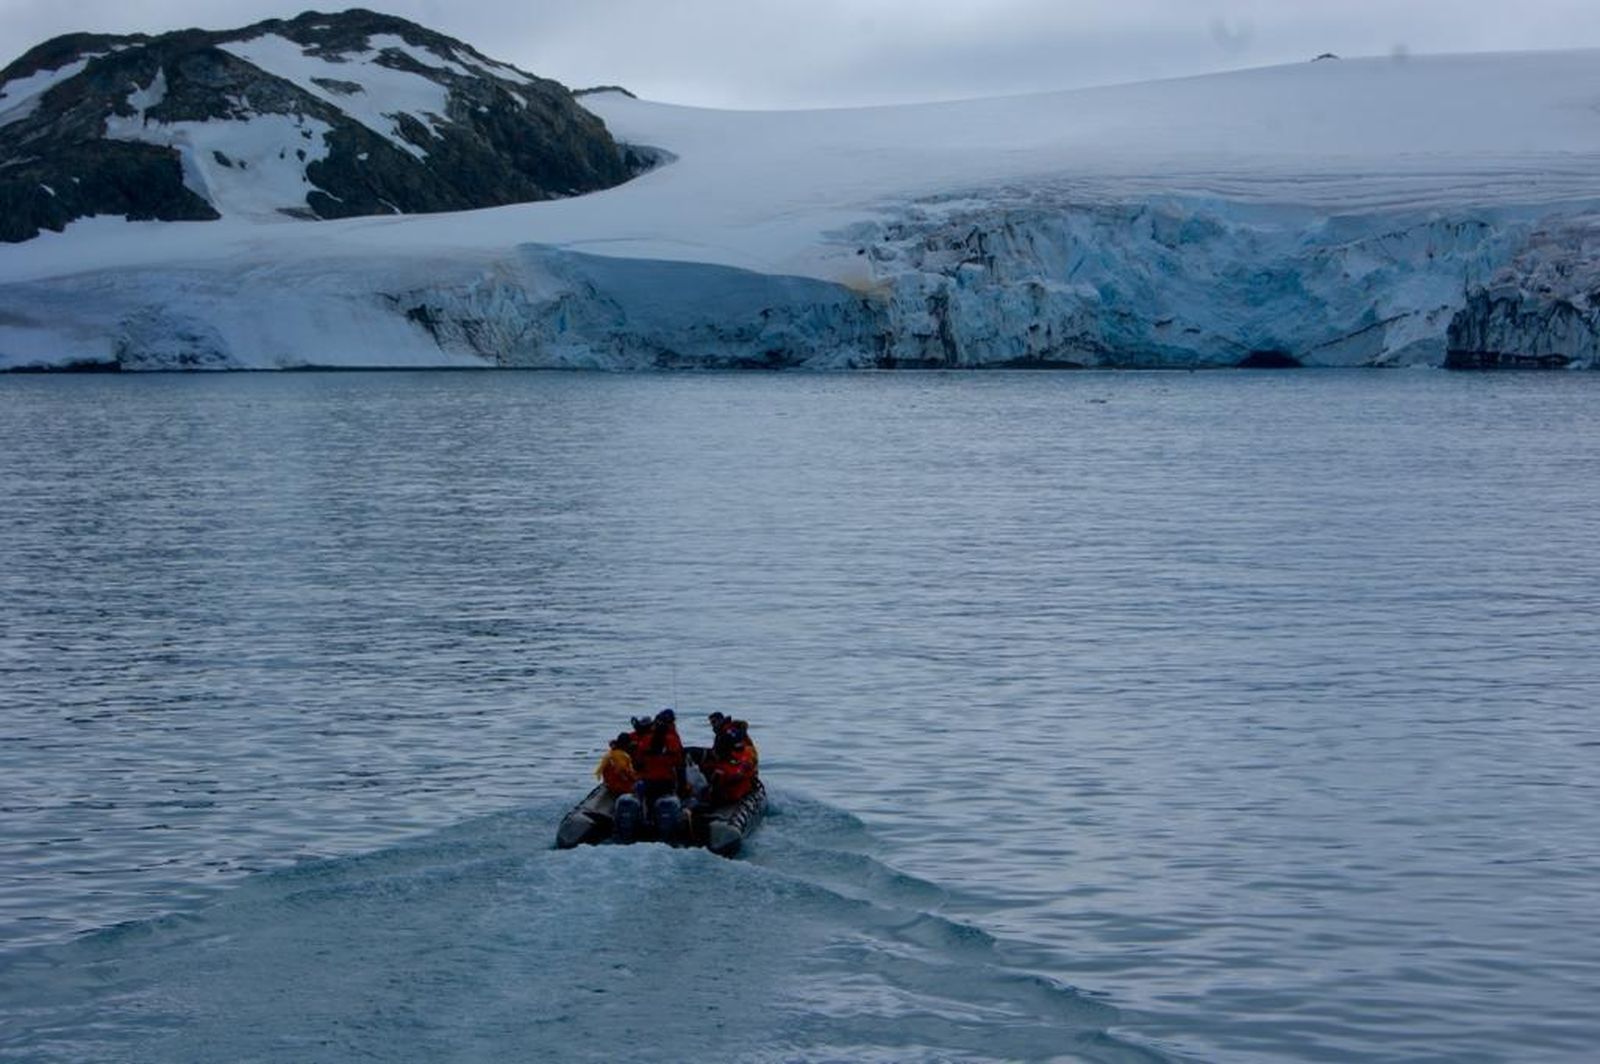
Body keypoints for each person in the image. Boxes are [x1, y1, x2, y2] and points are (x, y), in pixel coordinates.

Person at [701, 728, 757, 805]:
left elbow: (735, 775)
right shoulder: (746, 754)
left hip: (732, 796)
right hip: (735, 789)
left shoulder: (725, 767)